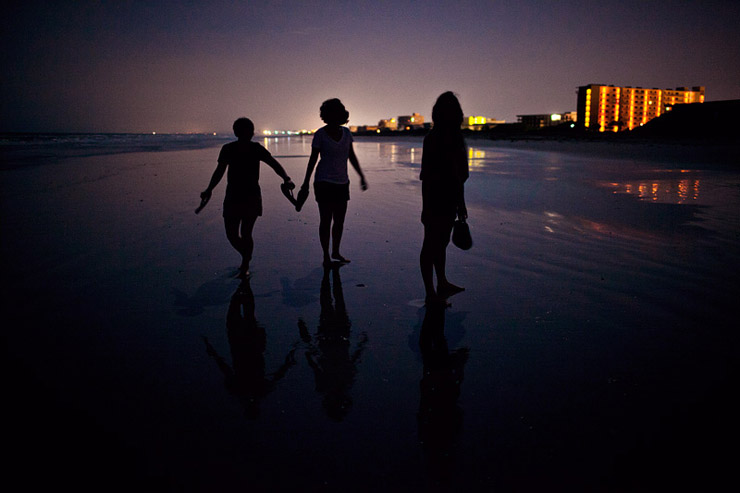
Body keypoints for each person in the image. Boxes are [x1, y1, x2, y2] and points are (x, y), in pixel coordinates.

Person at [201, 117, 294, 278]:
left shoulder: (255, 149)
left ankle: (245, 265)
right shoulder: (228, 149)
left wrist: (286, 177)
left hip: (250, 196)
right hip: (234, 196)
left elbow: (273, 163)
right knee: (232, 234)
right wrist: (209, 189)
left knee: (244, 233)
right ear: (242, 132)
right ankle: (246, 256)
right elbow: (220, 171)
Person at [300, 98, 368, 267]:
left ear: (340, 115)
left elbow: (351, 156)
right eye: (329, 113)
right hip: (323, 182)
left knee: (339, 221)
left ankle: (335, 252)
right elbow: (313, 160)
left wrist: (361, 176)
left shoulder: (346, 134)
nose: (332, 116)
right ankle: (325, 256)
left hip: (342, 182)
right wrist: (305, 183)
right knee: (325, 220)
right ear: (326, 116)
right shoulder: (320, 134)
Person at [420, 92, 469, 305]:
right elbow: (428, 175)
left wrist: (461, 203)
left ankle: (441, 283)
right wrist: (426, 207)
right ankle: (431, 292)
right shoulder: (435, 138)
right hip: (437, 198)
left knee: (440, 243)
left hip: (447, 197)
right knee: (432, 244)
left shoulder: (454, 138)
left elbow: (459, 175)